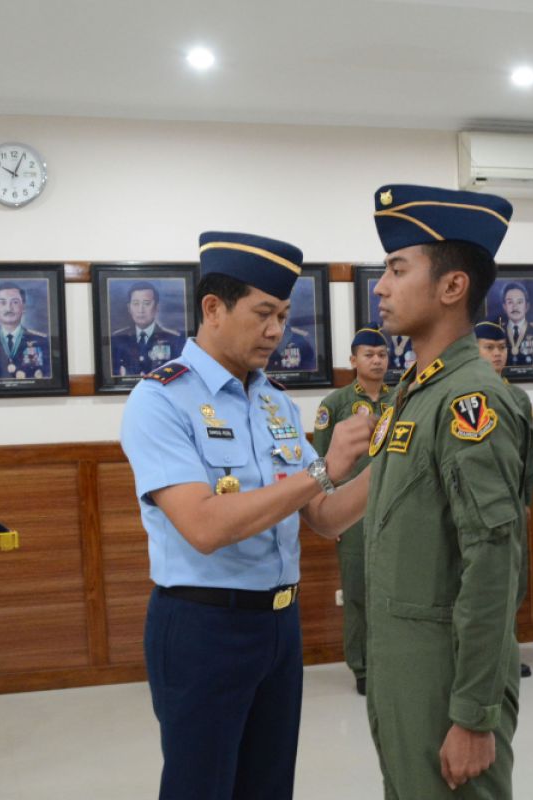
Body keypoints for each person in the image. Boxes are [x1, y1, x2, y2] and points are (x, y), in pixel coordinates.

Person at [119, 231, 378, 800]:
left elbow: (326, 517)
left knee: (268, 787)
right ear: (213, 308)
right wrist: (322, 469)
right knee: (201, 788)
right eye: (264, 314)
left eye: (283, 316)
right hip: (203, 628)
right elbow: (205, 526)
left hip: (279, 627)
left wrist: (390, 464)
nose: (275, 331)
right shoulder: (160, 400)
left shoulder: (274, 401)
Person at [364, 184, 527, 798]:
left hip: (446, 676)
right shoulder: (417, 391)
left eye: (397, 268)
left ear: (452, 287)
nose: (381, 286)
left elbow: (492, 561)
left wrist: (473, 713)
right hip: (404, 664)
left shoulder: (470, 400)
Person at [312, 326, 392, 694]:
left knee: (398, 589)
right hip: (353, 515)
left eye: (382, 355)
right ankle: (362, 666)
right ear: (353, 361)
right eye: (369, 355)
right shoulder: (336, 404)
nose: (377, 361)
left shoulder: (403, 399)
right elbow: (320, 466)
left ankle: (396, 661)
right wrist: (331, 514)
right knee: (358, 590)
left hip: (397, 510)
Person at [475, 319, 533, 677]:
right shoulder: (467, 394)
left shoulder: (517, 397)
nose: (497, 354)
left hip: (511, 499)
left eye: (501, 348)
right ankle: (482, 658)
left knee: (513, 578)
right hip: (477, 498)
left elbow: (529, 453)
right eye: (489, 348)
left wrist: (526, 498)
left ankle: (506, 652)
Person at [0, 282, 50, 380]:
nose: (9, 308)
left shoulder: (41, 341)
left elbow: (47, 379)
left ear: (23, 307)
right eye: (3, 302)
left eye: (15, 302)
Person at [111, 281, 186, 377]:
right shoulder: (117, 339)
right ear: (129, 308)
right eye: (136, 303)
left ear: (156, 307)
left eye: (147, 303)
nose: (141, 310)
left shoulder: (174, 339)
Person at [499, 282, 533, 366]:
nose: (515, 307)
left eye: (519, 302)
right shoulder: (497, 331)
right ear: (504, 307)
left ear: (527, 306)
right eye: (510, 302)